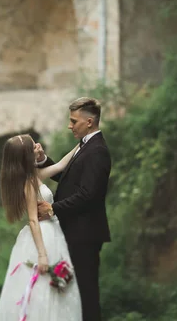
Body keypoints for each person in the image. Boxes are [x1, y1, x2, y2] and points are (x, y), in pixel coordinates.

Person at [36, 97, 112, 321]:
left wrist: (53, 208)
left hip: (85, 234)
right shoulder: (85, 146)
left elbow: (89, 194)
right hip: (75, 231)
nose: (70, 126)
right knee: (73, 292)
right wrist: (43, 160)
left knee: (86, 293)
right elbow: (67, 177)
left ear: (89, 122)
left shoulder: (97, 151)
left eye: (74, 121)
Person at [0, 134, 82, 321]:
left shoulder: (33, 177)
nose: (38, 147)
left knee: (54, 288)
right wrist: (42, 254)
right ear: (26, 155)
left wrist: (81, 143)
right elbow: (33, 220)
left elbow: (60, 165)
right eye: (33, 147)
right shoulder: (27, 184)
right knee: (42, 289)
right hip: (43, 236)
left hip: (53, 232)